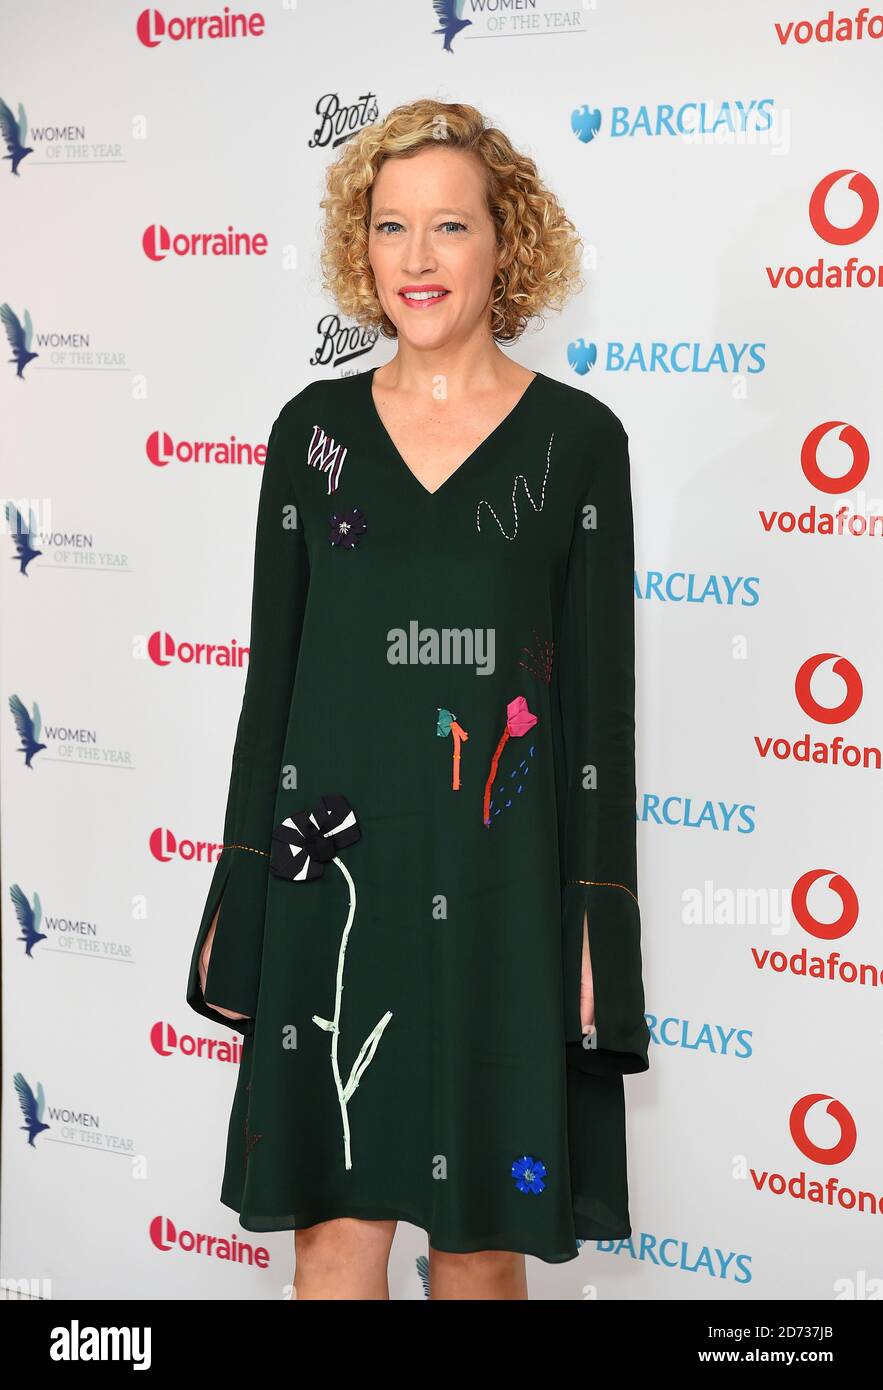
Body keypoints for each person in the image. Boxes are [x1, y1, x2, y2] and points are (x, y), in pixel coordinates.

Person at [186, 98, 650, 1301]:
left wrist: (599, 924)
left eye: (451, 225)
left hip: (501, 898)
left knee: (481, 1248)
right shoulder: (312, 437)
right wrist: (245, 891)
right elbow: (271, 683)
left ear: (509, 242)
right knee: (332, 1244)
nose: (418, 259)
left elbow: (597, 713)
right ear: (361, 247)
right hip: (333, 886)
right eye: (391, 227)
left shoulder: (578, 441)